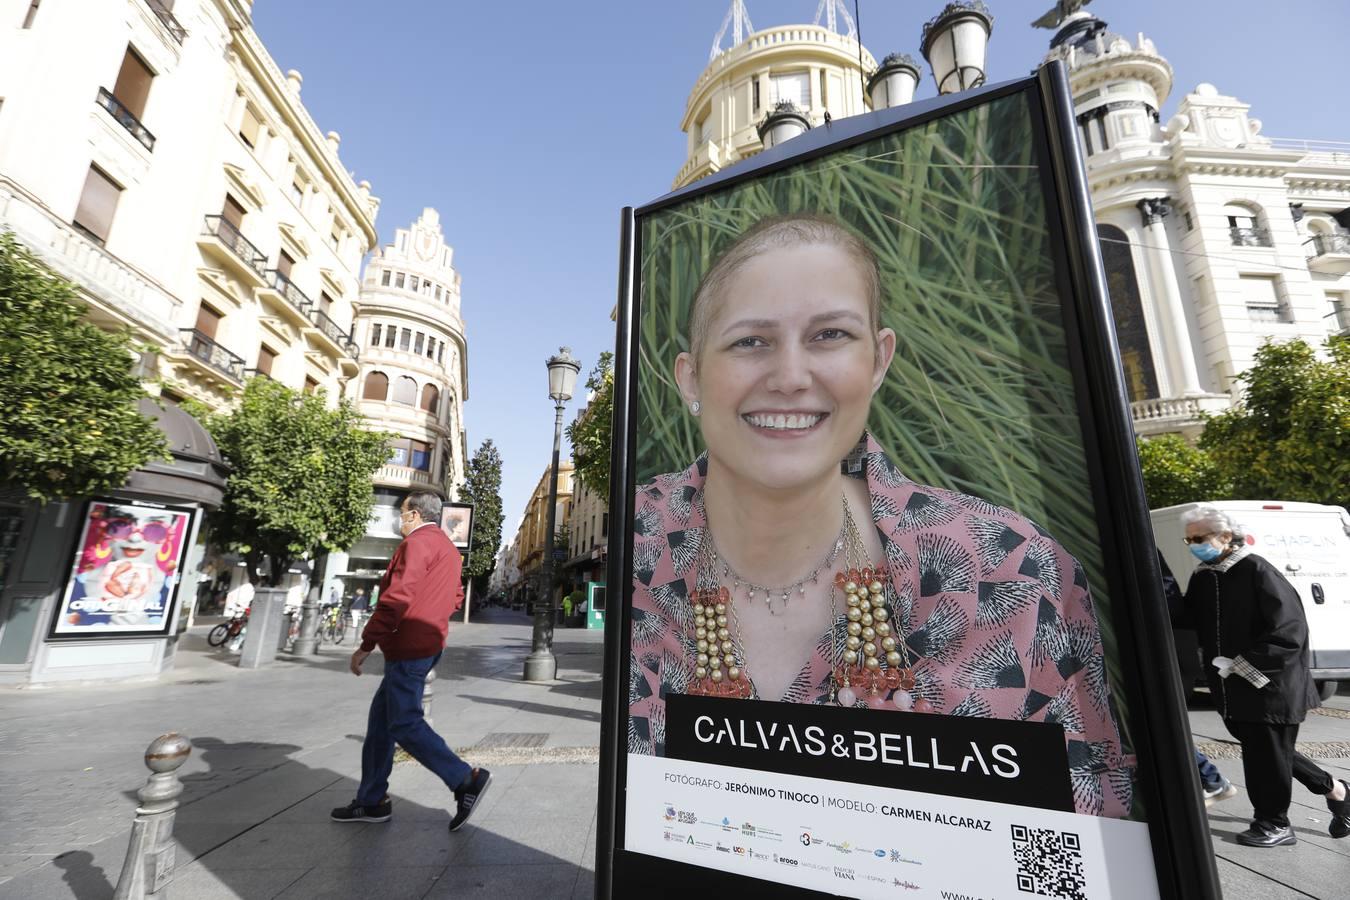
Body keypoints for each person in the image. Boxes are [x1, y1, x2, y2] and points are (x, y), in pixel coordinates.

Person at [628, 213, 1133, 818]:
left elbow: (1085, 839)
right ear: (692, 379)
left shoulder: (1009, 570)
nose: (790, 377)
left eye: (830, 335)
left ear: (878, 360)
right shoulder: (639, 544)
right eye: (750, 341)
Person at [1176, 505, 1349, 846]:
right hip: (1234, 689)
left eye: (1200, 537)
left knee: (1266, 756)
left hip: (1271, 687)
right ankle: (1337, 790)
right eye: (1189, 539)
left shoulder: (1257, 570)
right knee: (1268, 752)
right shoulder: (1206, 575)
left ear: (1226, 536)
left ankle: (1275, 823)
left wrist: (1240, 664)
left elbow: (1289, 632)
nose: (1194, 544)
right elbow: (1188, 616)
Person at [331, 491, 491, 832]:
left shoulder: (417, 544)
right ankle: (372, 800)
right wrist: (431, 616)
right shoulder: (447, 547)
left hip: (409, 646)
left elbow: (397, 597)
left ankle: (465, 779)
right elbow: (456, 595)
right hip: (427, 642)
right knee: (380, 725)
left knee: (404, 723)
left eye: (402, 514)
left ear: (415, 514)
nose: (400, 521)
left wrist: (367, 643)